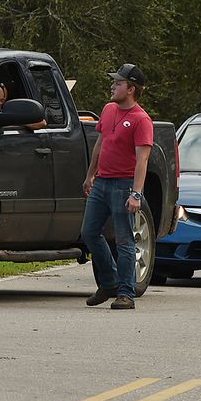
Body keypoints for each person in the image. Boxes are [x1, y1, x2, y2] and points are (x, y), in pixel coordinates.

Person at [82, 63, 153, 310]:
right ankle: (109, 281)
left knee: (124, 239)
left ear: (131, 89)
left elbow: (142, 160)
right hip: (102, 182)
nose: (113, 86)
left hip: (123, 185)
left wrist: (136, 193)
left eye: (118, 83)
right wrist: (90, 175)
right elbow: (100, 146)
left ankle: (126, 293)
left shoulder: (141, 120)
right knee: (89, 232)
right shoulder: (109, 109)